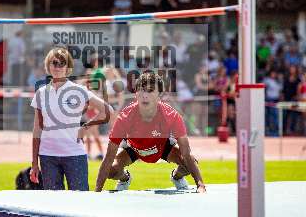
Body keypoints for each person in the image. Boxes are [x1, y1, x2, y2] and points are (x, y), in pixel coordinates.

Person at [95, 71, 206, 193]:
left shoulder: (171, 116)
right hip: (134, 148)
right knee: (112, 170)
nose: (145, 95)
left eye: (150, 90)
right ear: (136, 93)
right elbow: (108, 157)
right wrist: (97, 191)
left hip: (163, 147)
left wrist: (201, 186)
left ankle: (177, 177)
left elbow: (186, 152)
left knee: (190, 163)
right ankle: (125, 178)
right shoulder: (125, 117)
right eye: (141, 90)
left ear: (160, 95)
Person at [29, 47, 113, 191]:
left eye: (62, 63)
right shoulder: (41, 93)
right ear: (48, 65)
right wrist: (34, 163)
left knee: (80, 205)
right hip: (48, 156)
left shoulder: (78, 90)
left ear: (68, 67)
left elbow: (107, 111)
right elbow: (37, 130)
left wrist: (85, 126)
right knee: (53, 207)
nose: (58, 66)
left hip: (74, 155)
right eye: (54, 62)